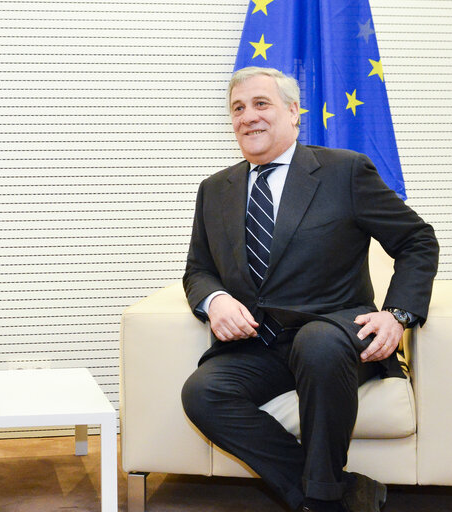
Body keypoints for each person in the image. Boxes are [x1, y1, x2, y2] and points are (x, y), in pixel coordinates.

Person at [180, 67, 438, 512]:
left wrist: (397, 314)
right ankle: (332, 493)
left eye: (261, 104)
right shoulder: (213, 190)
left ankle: (320, 501)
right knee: (201, 393)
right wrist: (214, 298)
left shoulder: (345, 172)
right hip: (259, 345)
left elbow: (417, 241)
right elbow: (198, 270)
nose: (247, 117)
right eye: (237, 109)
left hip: (335, 335)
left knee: (317, 344)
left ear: (293, 112)